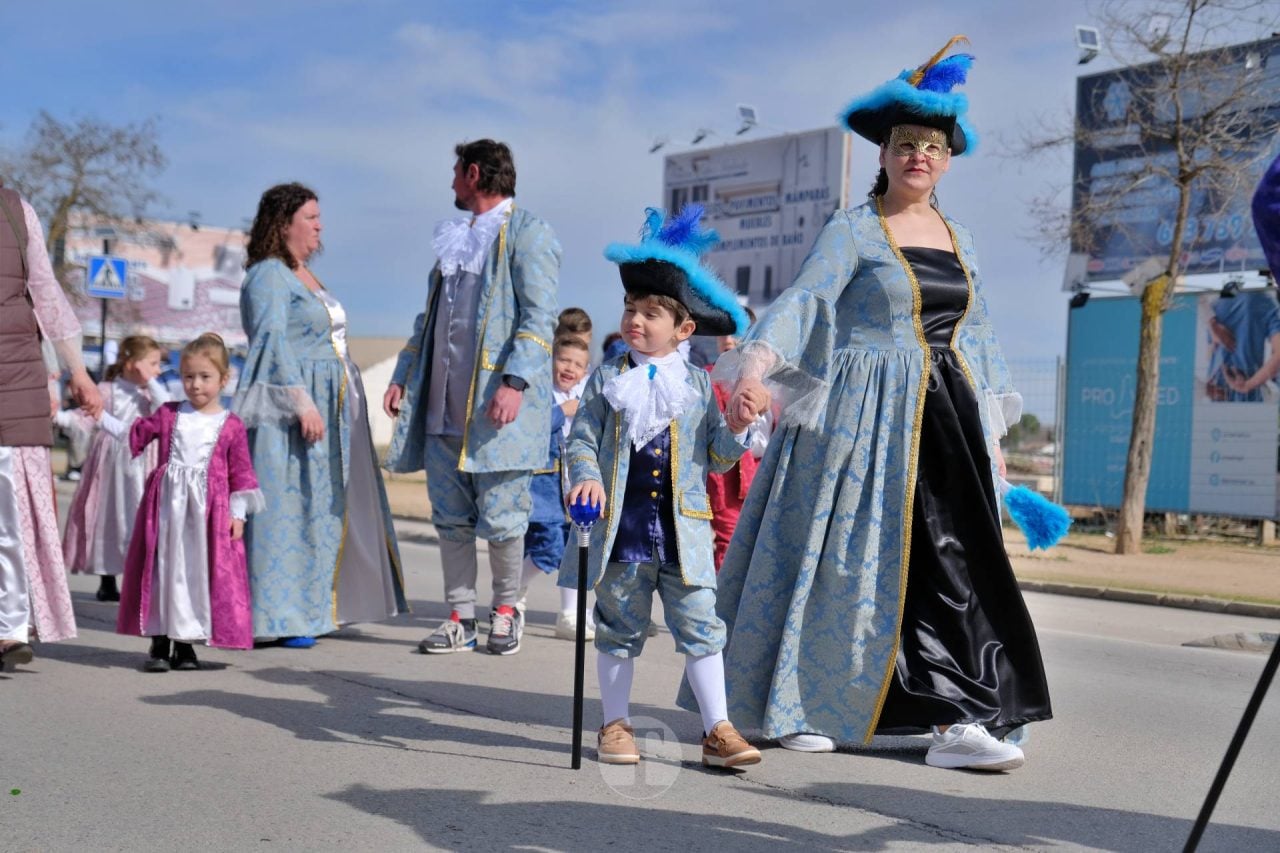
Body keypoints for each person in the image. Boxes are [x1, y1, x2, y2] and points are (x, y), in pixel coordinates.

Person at [700, 38, 1051, 770]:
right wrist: (755, 366)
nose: (919, 155)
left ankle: (956, 718)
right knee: (842, 564)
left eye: (933, 145)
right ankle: (805, 702)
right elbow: (806, 300)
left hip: (946, 417)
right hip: (860, 417)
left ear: (948, 161)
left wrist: (992, 438)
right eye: (905, 143)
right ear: (884, 154)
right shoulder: (854, 229)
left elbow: (978, 333)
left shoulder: (962, 239)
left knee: (949, 563)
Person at [560, 205, 762, 769]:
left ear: (684, 329)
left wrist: (739, 427)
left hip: (684, 536)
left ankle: (717, 729)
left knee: (702, 627)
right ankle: (615, 725)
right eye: (631, 308)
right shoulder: (606, 378)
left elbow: (718, 458)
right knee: (618, 628)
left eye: (652, 313)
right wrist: (587, 478)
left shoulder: (697, 385)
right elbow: (581, 441)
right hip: (621, 534)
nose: (636, 320)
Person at [384, 139, 559, 656]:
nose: (451, 182)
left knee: (504, 519)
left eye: (456, 171)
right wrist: (403, 375)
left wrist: (514, 382)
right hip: (442, 408)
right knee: (450, 519)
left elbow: (540, 316)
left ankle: (506, 610)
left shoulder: (529, 233)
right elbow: (429, 320)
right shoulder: (455, 239)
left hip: (496, 413)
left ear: (474, 173)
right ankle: (460, 617)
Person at [235, 183, 406, 647]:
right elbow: (270, 342)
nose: (320, 226)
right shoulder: (269, 275)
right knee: (287, 511)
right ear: (282, 224)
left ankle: (311, 611)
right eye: (310, 217)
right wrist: (302, 402)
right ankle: (276, 617)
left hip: (332, 409)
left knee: (320, 511)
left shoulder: (303, 274)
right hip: (293, 414)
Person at [114, 334, 262, 671]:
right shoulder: (169, 414)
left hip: (207, 517)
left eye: (205, 377)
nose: (195, 385)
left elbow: (241, 473)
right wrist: (98, 418)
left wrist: (238, 514)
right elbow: (133, 433)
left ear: (224, 379)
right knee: (164, 571)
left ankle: (184, 645)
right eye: (188, 376)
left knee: (194, 574)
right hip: (166, 512)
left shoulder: (231, 425)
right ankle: (159, 642)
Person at [0, 185, 102, 672]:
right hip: (18, 376)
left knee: (11, 516)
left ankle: (11, 627)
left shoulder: (14, 209)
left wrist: (77, 371)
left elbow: (44, 290)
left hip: (15, 378)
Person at [59, 335, 169, 601]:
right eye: (152, 363)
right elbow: (83, 417)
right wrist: (56, 416)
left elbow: (166, 408)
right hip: (109, 467)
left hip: (142, 466)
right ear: (132, 363)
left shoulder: (148, 393)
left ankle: (138, 580)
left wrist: (150, 379)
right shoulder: (107, 389)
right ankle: (107, 581)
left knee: (137, 518)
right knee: (107, 517)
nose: (157, 370)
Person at [518, 333, 592, 639]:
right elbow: (529, 427)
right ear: (552, 362)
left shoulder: (586, 398)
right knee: (548, 547)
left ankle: (570, 615)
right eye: (564, 360)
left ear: (585, 371)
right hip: (544, 488)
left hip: (574, 486)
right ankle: (512, 589)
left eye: (577, 364)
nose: (569, 368)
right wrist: (562, 411)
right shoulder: (540, 394)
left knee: (574, 551)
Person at [705, 307, 770, 571]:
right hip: (725, 477)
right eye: (723, 333)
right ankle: (722, 596)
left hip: (762, 472)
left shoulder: (769, 378)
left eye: (736, 333)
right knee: (729, 542)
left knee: (757, 545)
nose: (728, 340)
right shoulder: (707, 377)